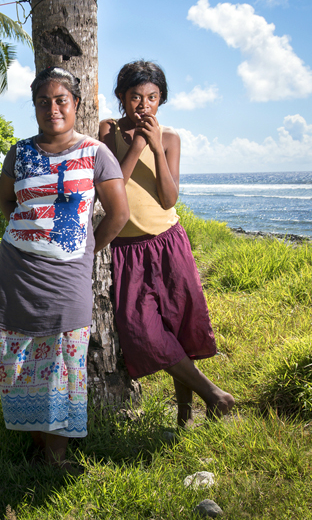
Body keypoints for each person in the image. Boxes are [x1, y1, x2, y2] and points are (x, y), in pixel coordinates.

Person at [0, 66, 129, 472]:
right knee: (18, 362)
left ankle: (56, 457)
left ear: (76, 104)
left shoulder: (96, 153)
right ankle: (36, 443)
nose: (52, 108)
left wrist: (84, 247)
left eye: (60, 100)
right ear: (34, 107)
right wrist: (29, 236)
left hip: (67, 279)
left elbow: (118, 213)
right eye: (43, 102)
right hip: (17, 273)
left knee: (64, 364)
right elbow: (7, 202)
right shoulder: (21, 152)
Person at [99, 60, 234, 427]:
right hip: (128, 250)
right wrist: (138, 142)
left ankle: (185, 415)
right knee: (144, 332)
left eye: (152, 98)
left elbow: (169, 198)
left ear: (161, 100)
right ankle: (215, 395)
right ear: (122, 98)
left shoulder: (171, 138)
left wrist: (156, 148)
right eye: (136, 97)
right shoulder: (107, 132)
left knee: (177, 329)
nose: (144, 105)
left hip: (168, 243)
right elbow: (114, 184)